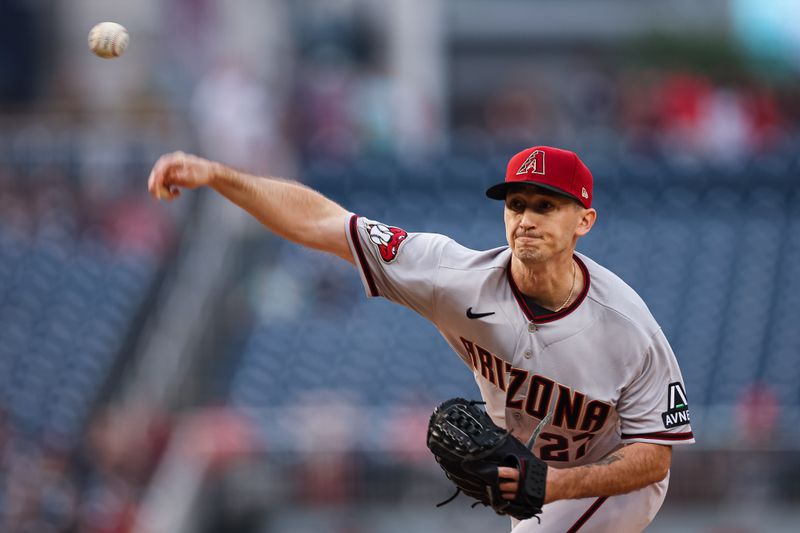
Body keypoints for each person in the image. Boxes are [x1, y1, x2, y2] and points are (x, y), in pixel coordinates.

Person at [147, 146, 694, 532]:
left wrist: (554, 485)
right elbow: (324, 224)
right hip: (538, 476)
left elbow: (654, 459)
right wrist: (221, 176)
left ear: (585, 221)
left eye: (545, 205)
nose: (525, 218)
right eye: (516, 204)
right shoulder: (450, 276)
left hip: (613, 478)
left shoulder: (628, 328)